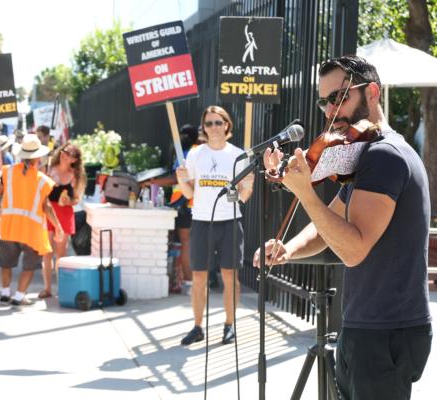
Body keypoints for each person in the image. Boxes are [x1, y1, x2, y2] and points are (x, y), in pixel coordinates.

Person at [254, 55, 432, 399]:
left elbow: (353, 249)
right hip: (367, 324)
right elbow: (325, 227)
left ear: (373, 93)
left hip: (387, 330)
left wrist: (305, 192)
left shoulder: (386, 156)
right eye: (325, 100)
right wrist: (288, 249)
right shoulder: (364, 155)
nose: (330, 109)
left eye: (340, 97)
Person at [175, 106, 254, 346]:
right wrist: (182, 182)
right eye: (208, 124)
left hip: (229, 221)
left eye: (218, 122)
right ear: (204, 129)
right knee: (199, 277)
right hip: (202, 221)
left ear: (227, 125)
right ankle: (198, 326)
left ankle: (230, 326)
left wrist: (247, 186)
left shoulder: (238, 154)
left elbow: (243, 195)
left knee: (230, 276)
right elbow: (190, 191)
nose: (214, 127)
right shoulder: (196, 154)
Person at [0, 135, 63, 306]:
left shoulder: (7, 172)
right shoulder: (43, 180)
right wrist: (58, 227)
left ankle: (4, 292)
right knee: (29, 266)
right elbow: (46, 207)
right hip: (31, 230)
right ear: (38, 157)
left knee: (6, 263)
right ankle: (18, 296)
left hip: (9, 227)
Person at [145, 124, 199, 294]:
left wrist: (153, 182)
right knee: (188, 244)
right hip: (192, 204)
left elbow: (176, 179)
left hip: (185, 203)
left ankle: (190, 283)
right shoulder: (197, 152)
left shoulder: (185, 154)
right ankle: (188, 280)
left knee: (185, 244)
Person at [40, 142, 86, 298]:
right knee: (47, 252)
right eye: (64, 151)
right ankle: (47, 288)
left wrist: (68, 201)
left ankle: (61, 288)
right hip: (48, 211)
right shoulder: (49, 170)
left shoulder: (75, 175)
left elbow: (77, 198)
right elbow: (42, 193)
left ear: (74, 160)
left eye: (69, 154)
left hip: (65, 214)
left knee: (61, 253)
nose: (64, 154)